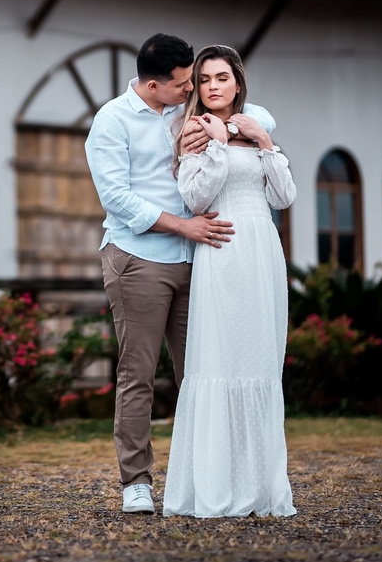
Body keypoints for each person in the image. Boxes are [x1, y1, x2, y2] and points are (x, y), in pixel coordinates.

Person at [84, 34, 275, 514]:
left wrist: (228, 133)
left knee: (207, 370)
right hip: (140, 257)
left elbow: (261, 117)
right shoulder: (111, 121)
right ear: (153, 85)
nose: (194, 89)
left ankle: (215, 477)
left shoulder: (189, 110)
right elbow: (116, 199)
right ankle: (136, 481)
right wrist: (183, 225)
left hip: (200, 262)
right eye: (184, 83)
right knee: (139, 374)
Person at [162, 44, 297, 518]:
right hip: (222, 250)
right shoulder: (192, 132)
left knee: (260, 364)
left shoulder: (256, 128)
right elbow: (196, 199)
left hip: (262, 250)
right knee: (220, 360)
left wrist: (263, 141)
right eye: (204, 79)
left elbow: (283, 197)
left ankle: (261, 486)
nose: (213, 86)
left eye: (221, 78)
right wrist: (217, 143)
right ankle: (216, 486)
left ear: (238, 83)